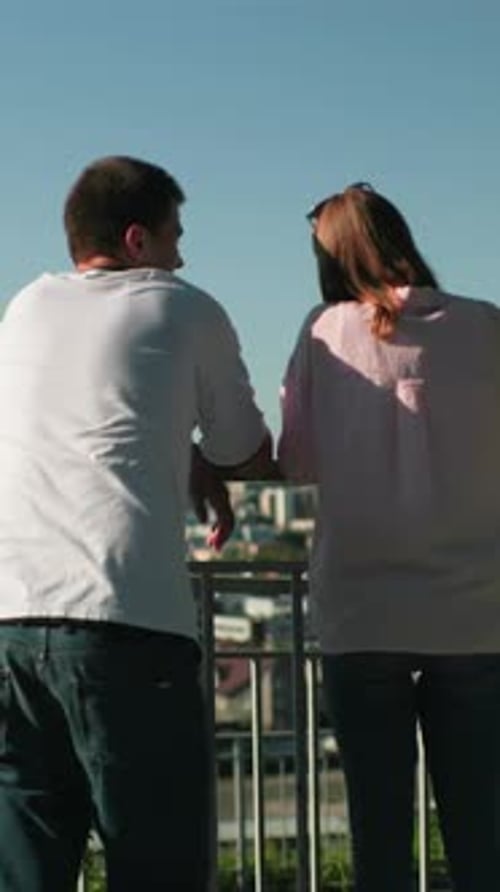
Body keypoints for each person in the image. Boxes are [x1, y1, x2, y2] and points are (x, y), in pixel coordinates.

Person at [0, 155, 275, 892]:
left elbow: (89, 421)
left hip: (13, 621)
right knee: (158, 861)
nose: (182, 253)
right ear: (136, 240)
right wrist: (215, 463)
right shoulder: (182, 306)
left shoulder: (25, 306)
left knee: (29, 865)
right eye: (174, 234)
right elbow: (244, 451)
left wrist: (181, 458)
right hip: (124, 620)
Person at [278, 182, 500, 892]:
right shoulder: (486, 325)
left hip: (360, 610)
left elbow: (298, 463)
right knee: (481, 826)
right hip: (475, 610)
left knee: (378, 829)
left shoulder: (323, 332)